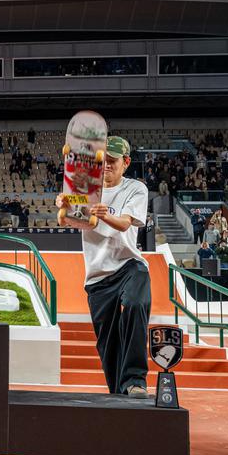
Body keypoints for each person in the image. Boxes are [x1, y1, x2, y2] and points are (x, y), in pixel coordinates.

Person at [56, 136, 151, 398]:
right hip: (97, 276)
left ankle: (135, 380)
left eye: (113, 161)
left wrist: (103, 213)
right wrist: (64, 206)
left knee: (136, 304)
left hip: (129, 266)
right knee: (108, 343)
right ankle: (119, 394)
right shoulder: (84, 188)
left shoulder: (135, 188)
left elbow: (124, 223)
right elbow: (66, 221)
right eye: (103, 160)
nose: (107, 165)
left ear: (126, 162)